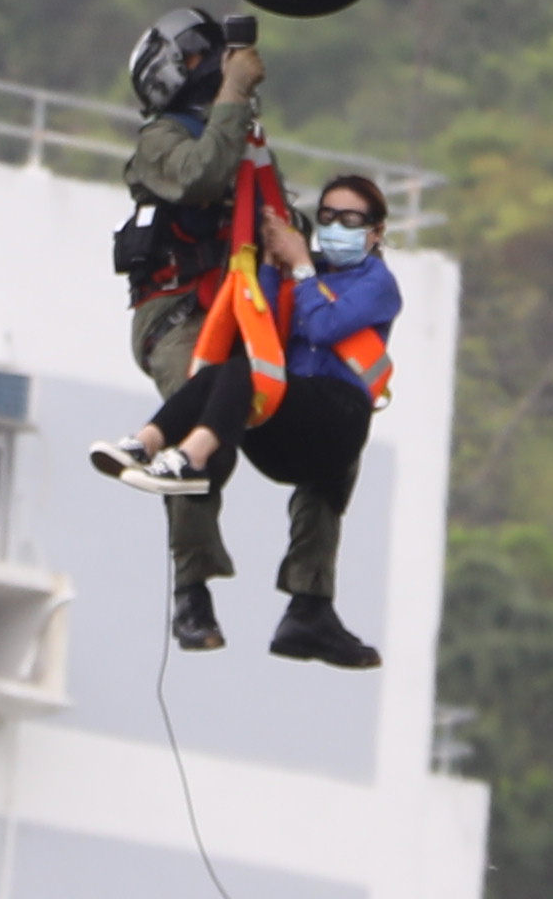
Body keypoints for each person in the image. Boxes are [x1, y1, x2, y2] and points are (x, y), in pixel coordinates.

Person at [92, 163, 399, 673]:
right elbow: (266, 309)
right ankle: (148, 443)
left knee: (244, 376)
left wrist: (300, 266)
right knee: (223, 375)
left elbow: (323, 325)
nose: (336, 228)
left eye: (351, 219)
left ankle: (185, 457)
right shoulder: (307, 269)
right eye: (327, 217)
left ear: (375, 231)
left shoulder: (376, 283)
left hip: (336, 421)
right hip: (291, 427)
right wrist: (269, 253)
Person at [108, 4, 265, 651]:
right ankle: (190, 593)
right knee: (205, 430)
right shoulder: (159, 143)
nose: (214, 65)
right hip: (178, 314)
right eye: (204, 54)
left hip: (243, 305)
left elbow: (272, 210)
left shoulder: (238, 139)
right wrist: (233, 94)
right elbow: (200, 180)